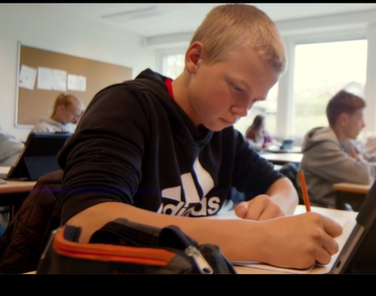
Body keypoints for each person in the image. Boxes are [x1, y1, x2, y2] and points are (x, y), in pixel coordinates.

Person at [56, 4, 343, 269]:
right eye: (237, 89)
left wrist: (276, 208)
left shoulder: (223, 133)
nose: (243, 111)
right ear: (195, 58)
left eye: (255, 100)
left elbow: (282, 184)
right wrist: (261, 239)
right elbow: (86, 220)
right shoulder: (128, 106)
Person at [299, 90, 376, 209]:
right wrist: (363, 163)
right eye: (360, 119)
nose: (363, 125)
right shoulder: (322, 147)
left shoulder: (346, 142)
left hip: (340, 208)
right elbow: (363, 175)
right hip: (323, 211)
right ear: (344, 120)